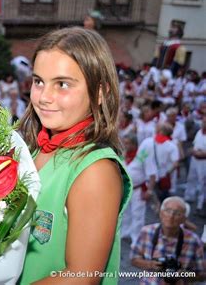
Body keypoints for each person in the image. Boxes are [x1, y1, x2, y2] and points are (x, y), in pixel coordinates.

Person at [18, 27, 132, 284]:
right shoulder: (35, 148)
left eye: (62, 84)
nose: (45, 97)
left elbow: (82, 277)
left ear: (100, 92)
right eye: (38, 81)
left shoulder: (95, 170)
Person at [131, 196, 205, 284]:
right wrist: (150, 264)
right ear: (161, 213)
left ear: (184, 219)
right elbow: (134, 259)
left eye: (177, 213)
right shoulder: (146, 231)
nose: (171, 216)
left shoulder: (193, 240)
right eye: (168, 210)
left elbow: (202, 274)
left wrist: (184, 275)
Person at [121, 133, 157, 246]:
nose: (125, 145)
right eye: (124, 142)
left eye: (127, 143)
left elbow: (152, 174)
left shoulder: (142, 155)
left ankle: (136, 238)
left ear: (134, 144)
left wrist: (149, 190)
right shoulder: (123, 154)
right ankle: (125, 232)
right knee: (125, 213)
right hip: (126, 189)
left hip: (138, 190)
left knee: (137, 214)